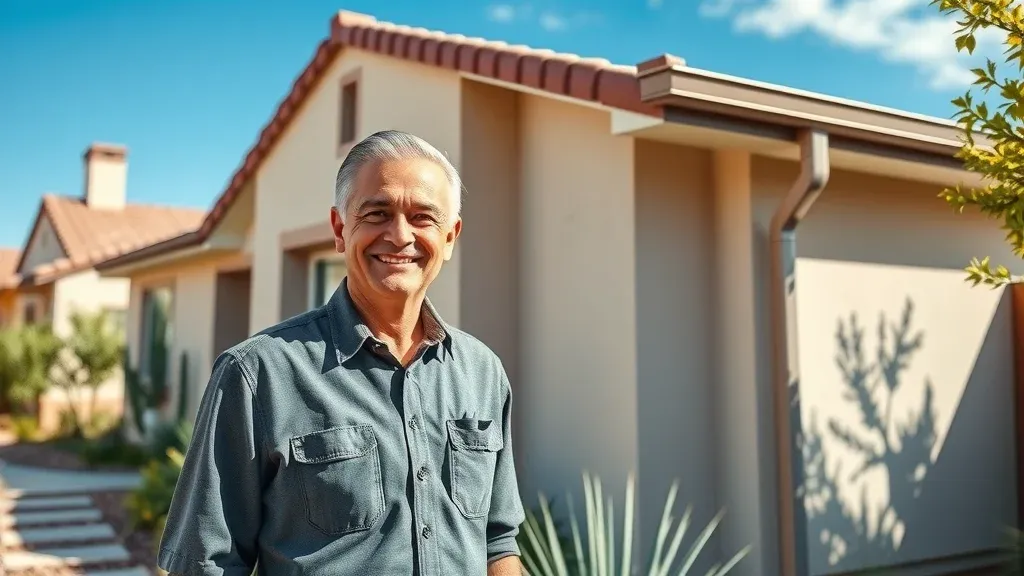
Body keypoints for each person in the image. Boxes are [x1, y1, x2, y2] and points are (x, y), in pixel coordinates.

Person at [156, 130, 526, 575]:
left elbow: (497, 542)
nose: (400, 235)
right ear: (339, 228)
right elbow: (204, 564)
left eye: (423, 217)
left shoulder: (482, 372)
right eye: (377, 213)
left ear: (450, 237)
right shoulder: (258, 375)